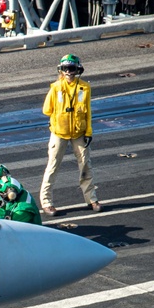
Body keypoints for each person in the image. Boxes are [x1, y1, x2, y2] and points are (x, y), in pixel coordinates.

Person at [39, 54, 101, 216]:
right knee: (52, 166)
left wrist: (88, 132)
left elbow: (88, 112)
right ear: (61, 70)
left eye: (71, 68)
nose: (69, 72)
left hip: (79, 133)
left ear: (77, 69)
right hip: (59, 133)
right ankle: (46, 202)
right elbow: (46, 110)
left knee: (86, 165)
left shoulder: (85, 88)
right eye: (66, 69)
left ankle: (91, 199)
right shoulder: (55, 88)